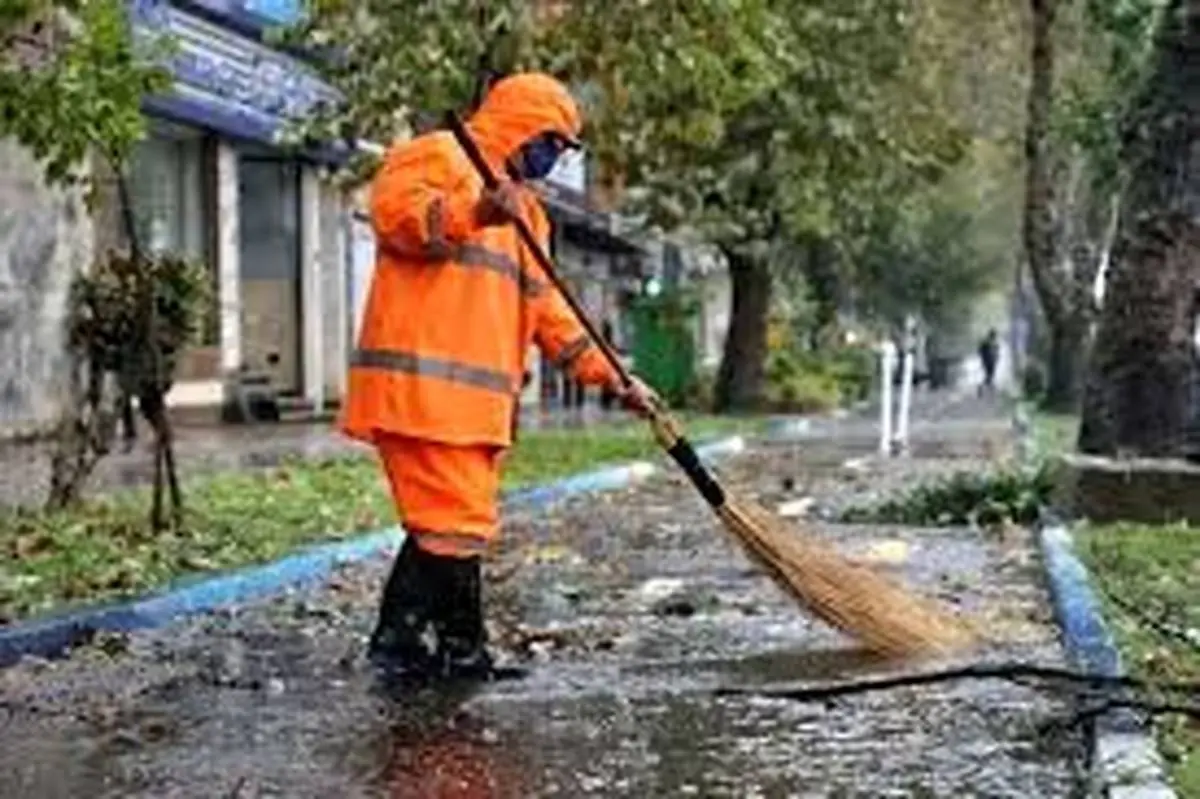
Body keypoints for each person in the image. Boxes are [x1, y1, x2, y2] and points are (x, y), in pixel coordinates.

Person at [339, 72, 658, 681]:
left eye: (562, 152)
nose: (551, 159)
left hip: (474, 408)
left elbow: (552, 313)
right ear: (522, 125)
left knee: (449, 524)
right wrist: (477, 209)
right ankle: (462, 654)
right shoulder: (435, 155)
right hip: (419, 392)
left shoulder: (529, 216)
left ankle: (401, 644)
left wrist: (615, 377)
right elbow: (398, 217)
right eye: (551, 143)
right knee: (455, 524)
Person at [978, 328, 999, 395]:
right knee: (989, 375)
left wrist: (996, 358)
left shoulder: (994, 342)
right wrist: (984, 359)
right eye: (994, 335)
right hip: (988, 361)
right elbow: (980, 351)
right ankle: (982, 388)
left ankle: (985, 389)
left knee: (990, 375)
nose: (994, 336)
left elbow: (997, 352)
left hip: (991, 361)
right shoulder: (986, 342)